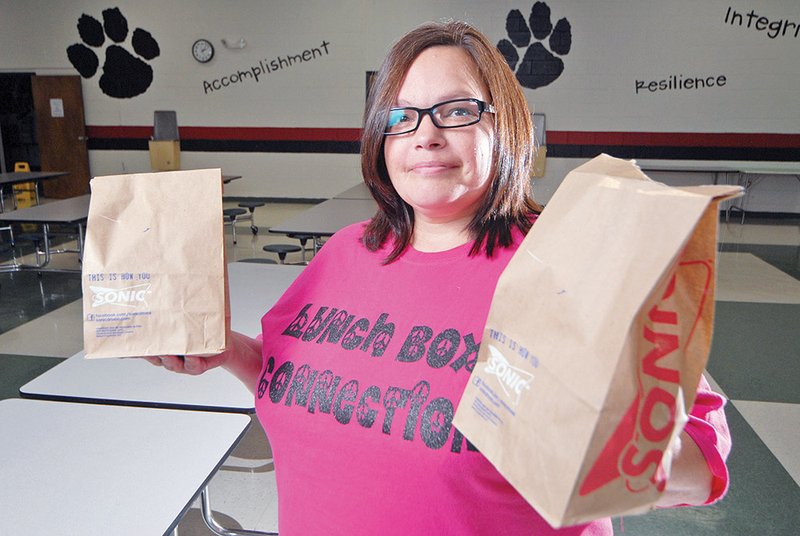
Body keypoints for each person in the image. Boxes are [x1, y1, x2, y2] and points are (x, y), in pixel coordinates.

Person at [148, 20, 731, 535]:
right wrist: (229, 352)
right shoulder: (347, 252)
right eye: (401, 116)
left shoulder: (569, 262)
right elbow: (289, 377)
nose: (425, 134)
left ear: (505, 127)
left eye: (456, 111)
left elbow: (703, 453)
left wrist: (615, 451)